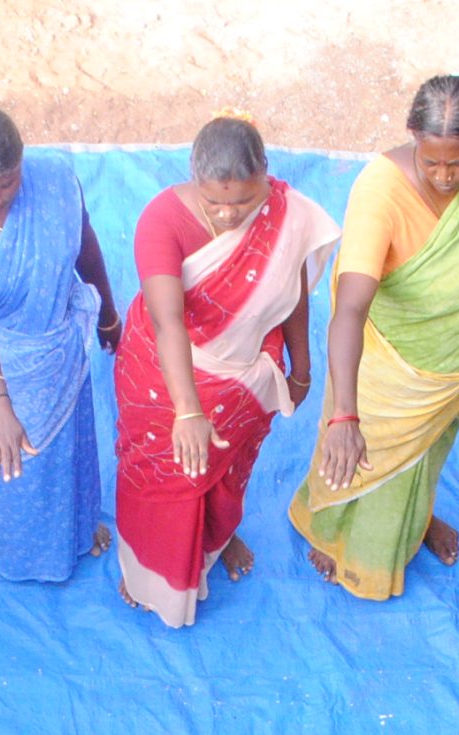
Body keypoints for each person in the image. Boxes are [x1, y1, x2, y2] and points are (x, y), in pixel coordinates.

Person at [288, 75, 459, 601]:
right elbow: (351, 307)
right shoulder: (380, 191)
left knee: (424, 455)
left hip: (455, 365)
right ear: (411, 137)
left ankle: (417, 520)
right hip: (384, 365)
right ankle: (330, 530)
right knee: (354, 455)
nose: (446, 176)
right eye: (432, 162)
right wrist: (345, 415)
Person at [112, 114, 339, 627]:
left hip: (242, 380)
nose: (232, 214)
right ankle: (150, 572)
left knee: (226, 469)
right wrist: (187, 410)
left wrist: (301, 368)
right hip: (163, 378)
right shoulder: (160, 222)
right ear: (195, 182)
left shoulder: (285, 216)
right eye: (216, 202)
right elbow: (168, 322)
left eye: (245, 199)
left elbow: (293, 293)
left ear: (266, 175)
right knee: (160, 478)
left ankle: (216, 538)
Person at [0, 106, 119, 584]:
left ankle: (71, 527)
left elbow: (83, 245)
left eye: (5, 184)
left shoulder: (53, 182)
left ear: (23, 163)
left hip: (53, 348)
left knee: (61, 453)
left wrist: (108, 312)